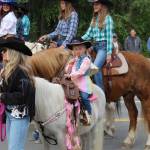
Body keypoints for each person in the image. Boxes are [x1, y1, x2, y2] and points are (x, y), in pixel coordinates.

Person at [0, 37, 35, 150]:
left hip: (19, 117)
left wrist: (2, 96)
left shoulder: (22, 71)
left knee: (14, 148)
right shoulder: (9, 70)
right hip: (10, 114)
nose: (2, 52)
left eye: (5, 50)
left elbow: (22, 96)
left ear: (13, 52)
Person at [82, 0, 114, 90]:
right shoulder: (94, 19)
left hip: (103, 47)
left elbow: (109, 37)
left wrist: (109, 53)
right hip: (94, 46)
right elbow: (88, 34)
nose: (94, 6)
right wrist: (77, 41)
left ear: (103, 5)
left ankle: (101, 94)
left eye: (97, 4)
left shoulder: (108, 18)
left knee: (95, 69)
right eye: (93, 4)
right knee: (82, 64)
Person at [65, 38, 93, 125]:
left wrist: (70, 75)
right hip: (73, 82)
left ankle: (89, 113)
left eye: (80, 49)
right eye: (75, 49)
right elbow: (67, 70)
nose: (78, 51)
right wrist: (70, 64)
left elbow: (81, 72)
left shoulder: (86, 60)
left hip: (83, 83)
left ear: (85, 49)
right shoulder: (75, 60)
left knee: (84, 97)